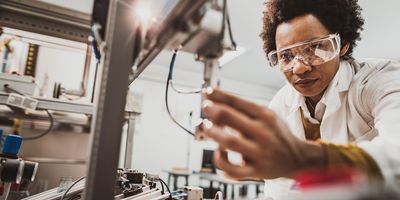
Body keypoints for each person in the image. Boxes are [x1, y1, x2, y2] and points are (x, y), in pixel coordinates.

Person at [197, 0, 400, 198]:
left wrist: (304, 159)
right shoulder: (281, 103)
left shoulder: (379, 80)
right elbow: (279, 191)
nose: (299, 67)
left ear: (343, 44)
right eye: (286, 57)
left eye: (314, 48)